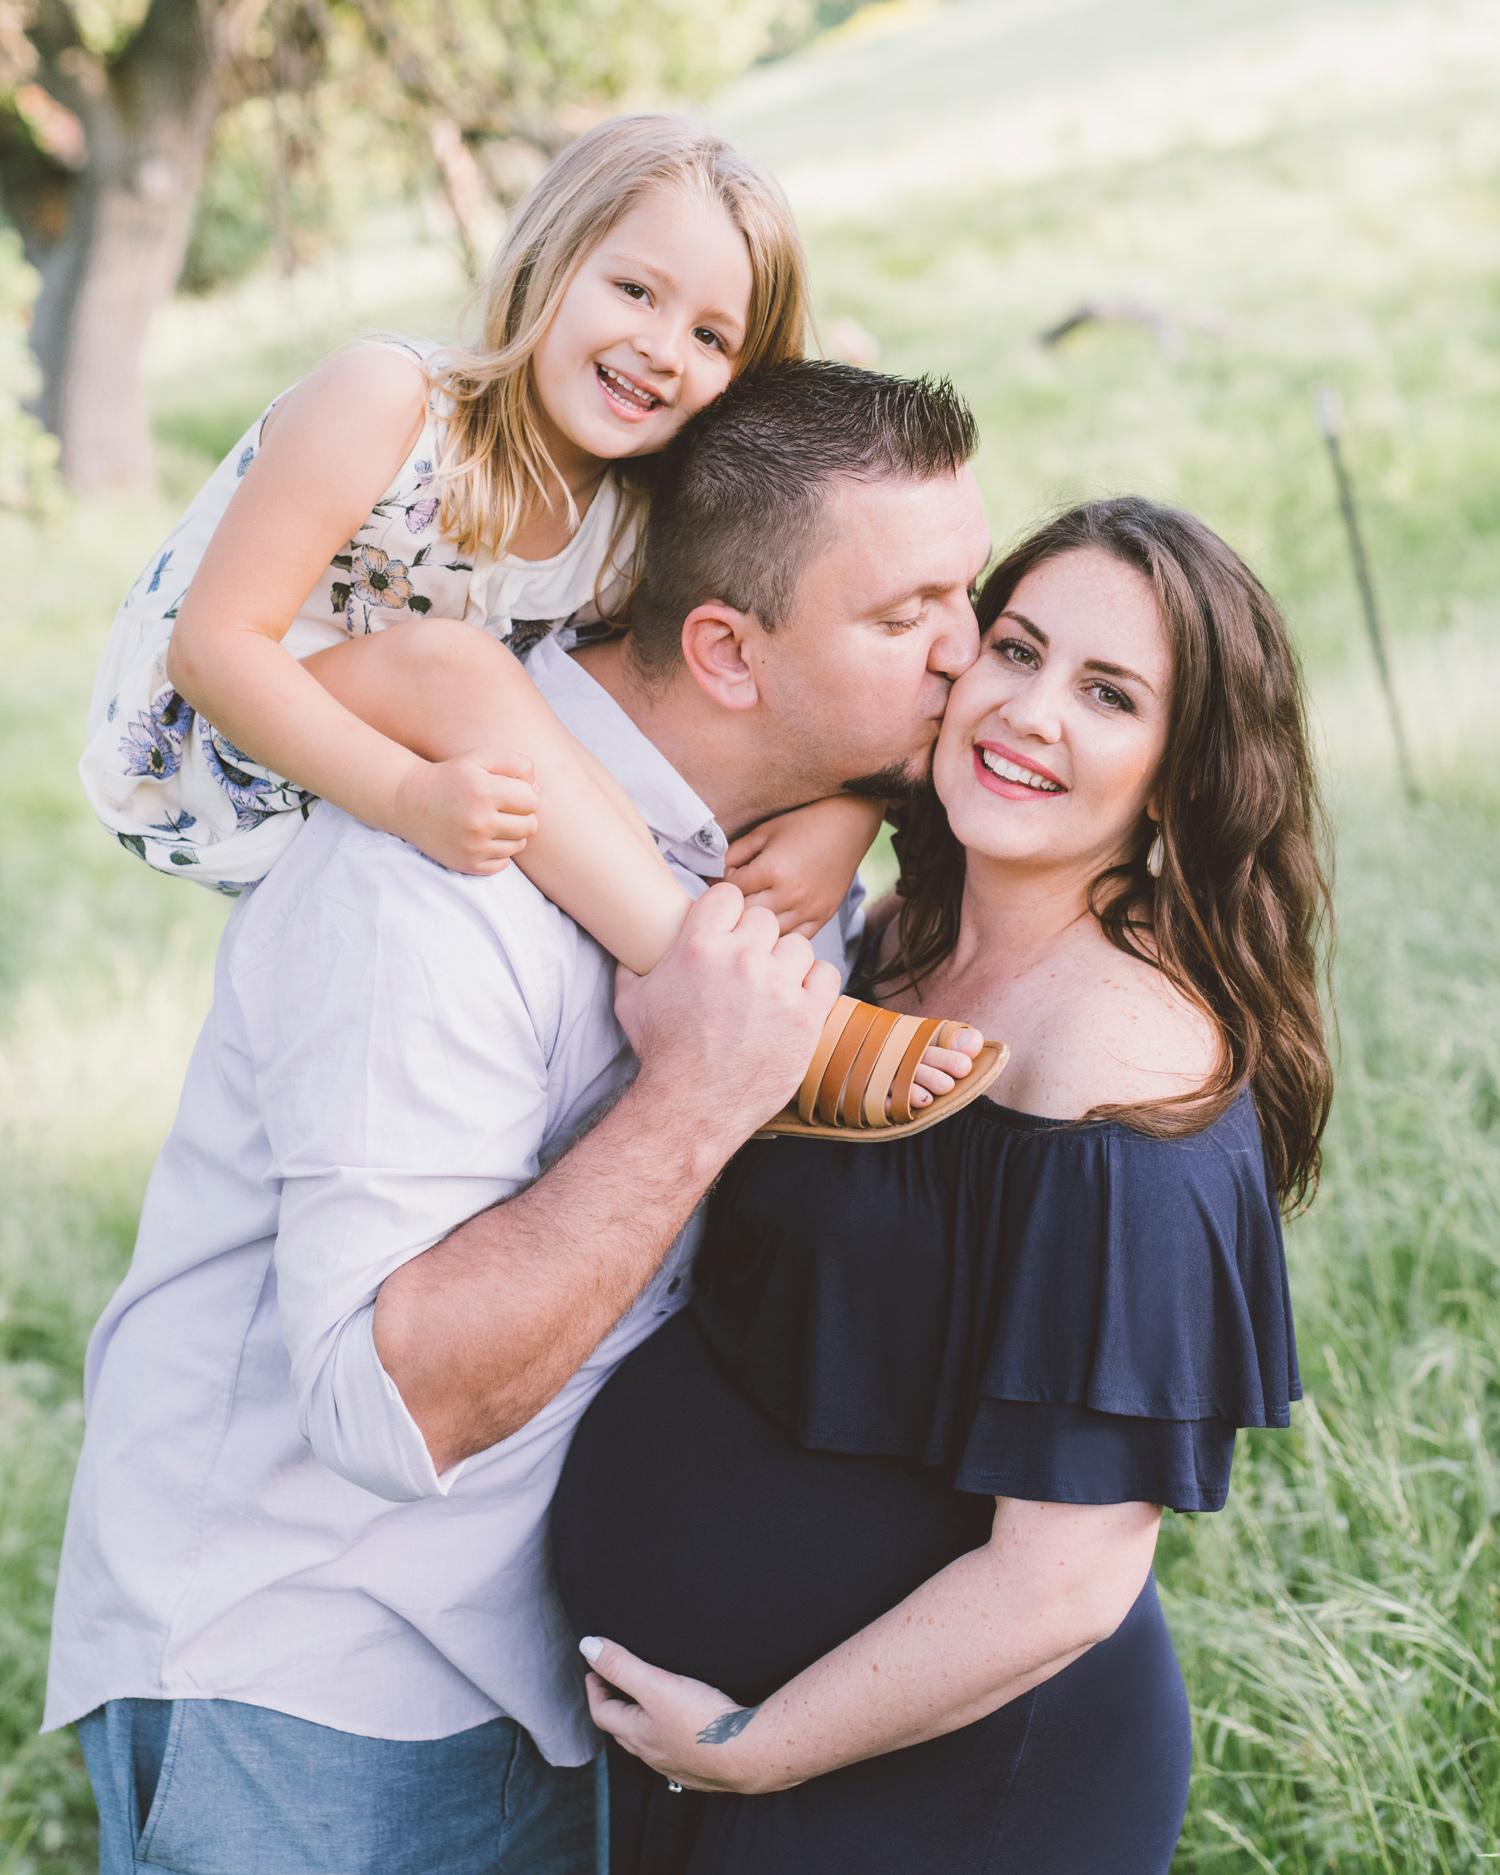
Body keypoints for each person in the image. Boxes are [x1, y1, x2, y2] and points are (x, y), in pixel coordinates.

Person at [45, 363, 993, 1875]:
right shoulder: (433, 873)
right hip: (313, 1684)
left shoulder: (784, 852)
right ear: (726, 653)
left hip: (567, 1677)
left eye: (972, 591)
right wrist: (700, 1092)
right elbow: (384, 1401)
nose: (972, 653)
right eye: (907, 617)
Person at [551, 496, 1336, 1874]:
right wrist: (853, 806)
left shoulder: (1119, 1075)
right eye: (1016, 649)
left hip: (953, 1789)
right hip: (737, 1740)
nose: (1031, 711)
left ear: (1176, 774)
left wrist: (754, 1742)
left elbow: (1067, 1577)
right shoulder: (906, 932)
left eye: (1108, 692)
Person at [77, 112, 977, 1133]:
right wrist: (410, 794)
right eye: (635, 290)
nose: (659, 348)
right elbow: (212, 649)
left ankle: (724, 999)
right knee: (456, 671)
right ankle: (738, 1008)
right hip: (216, 735)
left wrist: (841, 818)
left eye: (711, 336)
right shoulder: (389, 404)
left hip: (438, 746)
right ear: (550, 259)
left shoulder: (635, 516)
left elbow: (788, 670)